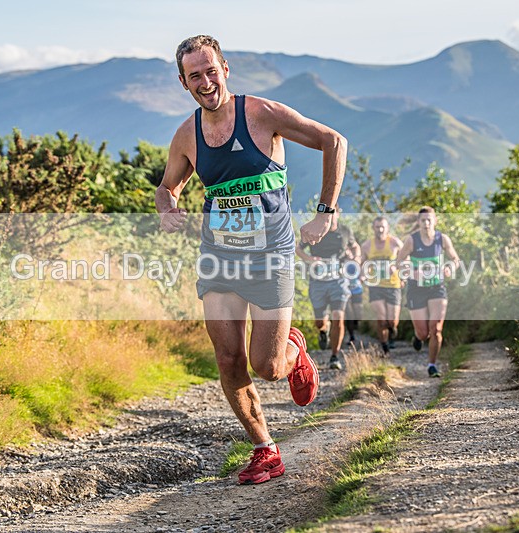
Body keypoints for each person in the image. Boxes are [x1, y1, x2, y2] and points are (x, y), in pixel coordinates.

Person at [156, 35, 347, 485]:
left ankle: (293, 351)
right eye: (194, 76)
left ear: (225, 68)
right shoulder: (187, 135)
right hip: (218, 258)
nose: (205, 82)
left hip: (271, 256)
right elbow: (169, 187)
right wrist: (168, 207)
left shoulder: (261, 114)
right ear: (184, 83)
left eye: (210, 71)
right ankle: (266, 449)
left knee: (267, 367)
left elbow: (333, 141)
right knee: (227, 358)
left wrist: (325, 212)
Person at [394, 207, 459, 378]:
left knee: (436, 329)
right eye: (423, 220)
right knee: (424, 333)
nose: (426, 223)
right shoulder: (412, 241)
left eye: (429, 220)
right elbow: (399, 262)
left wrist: (450, 268)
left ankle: (432, 365)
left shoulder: (442, 239)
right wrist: (410, 272)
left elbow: (454, 259)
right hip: (416, 289)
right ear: (418, 222)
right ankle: (418, 337)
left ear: (435, 221)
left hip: (437, 288)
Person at [295, 205, 361, 371]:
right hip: (318, 281)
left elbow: (355, 246)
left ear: (338, 214)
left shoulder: (345, 231)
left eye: (334, 215)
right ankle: (323, 331)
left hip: (338, 280)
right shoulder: (314, 229)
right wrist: (310, 259)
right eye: (327, 215)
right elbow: (297, 248)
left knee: (338, 316)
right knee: (320, 322)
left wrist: (356, 257)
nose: (330, 218)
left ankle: (335, 356)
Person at [360, 216, 403, 355]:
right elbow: (361, 264)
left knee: (392, 321)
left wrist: (397, 268)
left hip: (393, 285)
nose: (380, 229)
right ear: (373, 228)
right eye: (377, 227)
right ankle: (384, 345)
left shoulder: (395, 243)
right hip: (375, 285)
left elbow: (406, 258)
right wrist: (362, 274)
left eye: (383, 227)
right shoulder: (367, 246)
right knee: (382, 318)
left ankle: (393, 329)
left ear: (387, 228)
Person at [343, 259, 364, 348]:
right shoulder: (340, 260)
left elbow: (364, 271)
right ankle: (352, 336)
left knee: (358, 313)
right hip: (345, 290)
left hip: (357, 290)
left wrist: (363, 277)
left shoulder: (357, 260)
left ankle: (356, 323)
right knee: (349, 314)